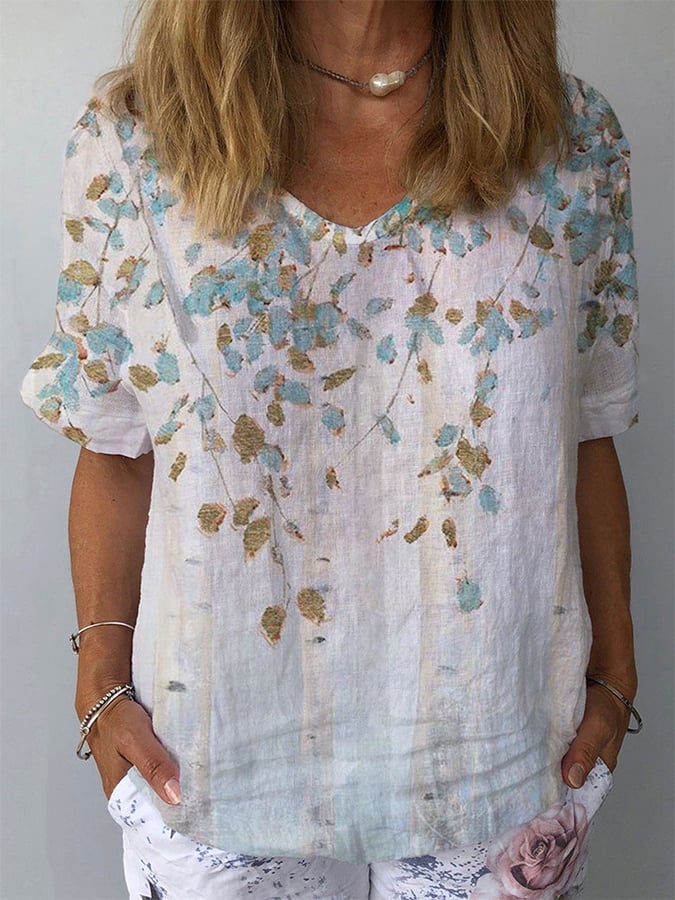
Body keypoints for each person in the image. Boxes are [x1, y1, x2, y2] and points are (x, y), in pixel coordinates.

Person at [19, 0, 644, 897]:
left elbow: (582, 427)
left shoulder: (567, 142)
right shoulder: (138, 142)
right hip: (210, 763)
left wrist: (615, 675)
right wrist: (99, 686)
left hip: (500, 758)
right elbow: (116, 442)